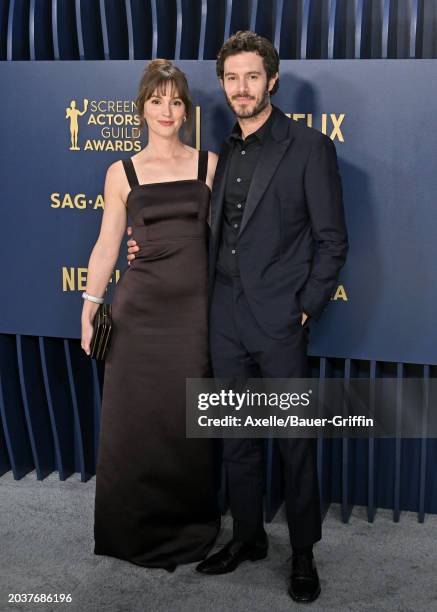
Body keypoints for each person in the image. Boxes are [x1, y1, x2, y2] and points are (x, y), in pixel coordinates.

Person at [128, 32, 348, 601]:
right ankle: (248, 536)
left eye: (252, 76)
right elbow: (201, 230)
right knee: (237, 437)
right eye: (232, 77)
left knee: (294, 441)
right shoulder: (221, 153)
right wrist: (144, 250)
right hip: (222, 313)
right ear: (223, 84)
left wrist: (306, 308)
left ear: (272, 80)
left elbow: (332, 241)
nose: (241, 87)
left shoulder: (309, 147)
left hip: (280, 319)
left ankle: (302, 552)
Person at [81, 59, 220, 571]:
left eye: (176, 100)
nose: (167, 110)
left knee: (184, 423)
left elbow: (231, 241)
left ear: (187, 109)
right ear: (142, 108)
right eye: (157, 100)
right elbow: (106, 247)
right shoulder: (122, 172)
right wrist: (90, 309)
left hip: (194, 316)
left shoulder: (211, 164)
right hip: (138, 313)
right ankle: (131, 529)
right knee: (133, 426)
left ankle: (187, 527)